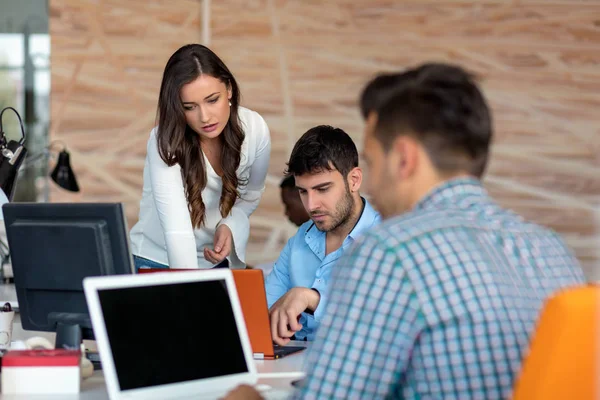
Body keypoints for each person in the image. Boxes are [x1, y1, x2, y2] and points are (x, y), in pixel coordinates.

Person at [224, 63, 585, 399]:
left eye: (373, 158)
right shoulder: (550, 249)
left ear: (403, 159)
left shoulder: (391, 251)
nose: (372, 183)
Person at [129, 44, 271, 270]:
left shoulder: (255, 130)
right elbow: (177, 233)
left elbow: (251, 196)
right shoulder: (164, 141)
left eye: (212, 100)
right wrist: (193, 291)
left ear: (229, 90)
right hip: (156, 259)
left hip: (213, 263)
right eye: (189, 107)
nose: (205, 117)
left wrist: (229, 225)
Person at [264, 125, 381, 344]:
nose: (311, 205)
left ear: (354, 180)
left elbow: (382, 322)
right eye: (303, 191)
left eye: (323, 189)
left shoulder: (385, 241)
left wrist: (312, 299)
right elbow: (264, 313)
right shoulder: (300, 240)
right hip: (290, 370)